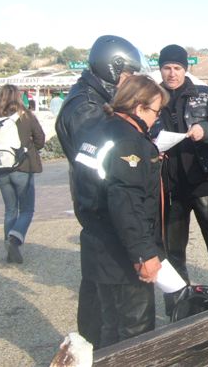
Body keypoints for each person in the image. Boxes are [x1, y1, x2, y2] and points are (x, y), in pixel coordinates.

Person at [55, 35, 149, 348]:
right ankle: (96, 349)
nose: (130, 82)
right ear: (113, 68)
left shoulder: (91, 98)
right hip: (101, 205)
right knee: (106, 295)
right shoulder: (86, 106)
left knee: (99, 288)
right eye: (128, 75)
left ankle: (93, 347)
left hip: (99, 204)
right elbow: (100, 161)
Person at [71, 74, 168, 347]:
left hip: (97, 242)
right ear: (139, 107)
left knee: (110, 324)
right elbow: (126, 202)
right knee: (135, 332)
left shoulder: (97, 130)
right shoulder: (128, 141)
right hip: (121, 252)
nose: (156, 119)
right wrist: (143, 254)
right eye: (155, 111)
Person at [151, 44, 208, 318]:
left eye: (177, 68)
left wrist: (206, 130)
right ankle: (178, 306)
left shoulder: (207, 94)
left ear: (185, 69)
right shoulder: (152, 97)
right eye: (166, 68)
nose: (172, 73)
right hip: (169, 187)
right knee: (173, 252)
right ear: (160, 69)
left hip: (205, 182)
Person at [0, 84, 45, 264]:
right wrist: (30, 148)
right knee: (27, 209)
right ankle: (14, 239)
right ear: (17, 97)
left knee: (10, 210)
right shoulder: (26, 116)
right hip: (23, 167)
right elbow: (40, 139)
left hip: (1, 169)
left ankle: (10, 250)